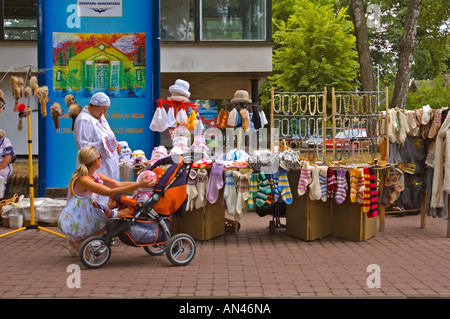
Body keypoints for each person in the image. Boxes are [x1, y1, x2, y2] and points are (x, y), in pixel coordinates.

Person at [58, 145, 155, 256]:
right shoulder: (84, 180)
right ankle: (77, 243)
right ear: (95, 161)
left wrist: (140, 184)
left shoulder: (94, 175)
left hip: (86, 208)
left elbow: (118, 184)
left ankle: (77, 243)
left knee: (106, 217)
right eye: (100, 157)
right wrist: (138, 185)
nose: (101, 159)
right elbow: (109, 192)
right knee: (106, 222)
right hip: (79, 213)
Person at [73, 92, 122, 204]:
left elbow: (107, 136)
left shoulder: (99, 116)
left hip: (106, 165)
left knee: (109, 196)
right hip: (95, 166)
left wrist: (115, 145)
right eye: (103, 109)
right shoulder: (84, 120)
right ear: (94, 106)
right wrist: (106, 144)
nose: (105, 112)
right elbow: (84, 147)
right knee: (97, 198)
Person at [0, 130, 16, 199]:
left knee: (1, 179)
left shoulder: (5, 141)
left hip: (3, 168)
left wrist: (1, 166)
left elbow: (9, 155)